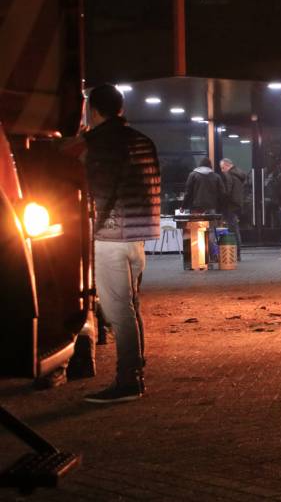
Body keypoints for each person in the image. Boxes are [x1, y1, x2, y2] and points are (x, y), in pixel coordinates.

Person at [82, 83, 160, 403]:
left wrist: (92, 227)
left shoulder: (101, 144)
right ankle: (136, 369)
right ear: (121, 109)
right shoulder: (143, 141)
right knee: (131, 306)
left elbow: (100, 190)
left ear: (93, 110)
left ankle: (128, 380)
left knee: (118, 311)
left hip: (111, 237)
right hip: (138, 237)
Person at [220, 158, 246, 261]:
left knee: (233, 230)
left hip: (230, 206)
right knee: (235, 230)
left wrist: (222, 199)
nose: (222, 170)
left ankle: (235, 254)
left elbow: (227, 191)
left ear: (227, 165)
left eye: (222, 167)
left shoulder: (229, 175)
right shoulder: (238, 175)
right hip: (237, 205)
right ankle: (238, 253)